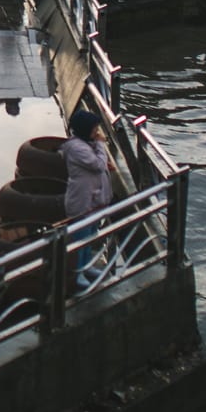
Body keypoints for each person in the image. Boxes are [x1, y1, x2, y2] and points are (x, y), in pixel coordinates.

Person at [63, 109, 112, 292]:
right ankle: (77, 272)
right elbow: (97, 164)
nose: (97, 133)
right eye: (94, 130)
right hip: (82, 203)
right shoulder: (77, 148)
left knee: (90, 236)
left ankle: (87, 266)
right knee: (80, 239)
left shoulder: (85, 145)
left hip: (94, 202)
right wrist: (100, 146)